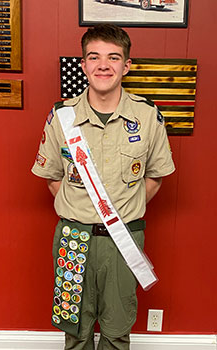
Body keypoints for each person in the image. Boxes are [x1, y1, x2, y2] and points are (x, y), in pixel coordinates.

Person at [32, 24, 175, 350]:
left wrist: (121, 212)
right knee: (75, 329)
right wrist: (83, 210)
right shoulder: (62, 116)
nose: (103, 65)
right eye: (94, 57)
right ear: (83, 65)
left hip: (124, 240)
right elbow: (53, 177)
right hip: (74, 237)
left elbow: (154, 177)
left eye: (113, 57)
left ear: (126, 66)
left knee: (116, 329)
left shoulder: (148, 116)